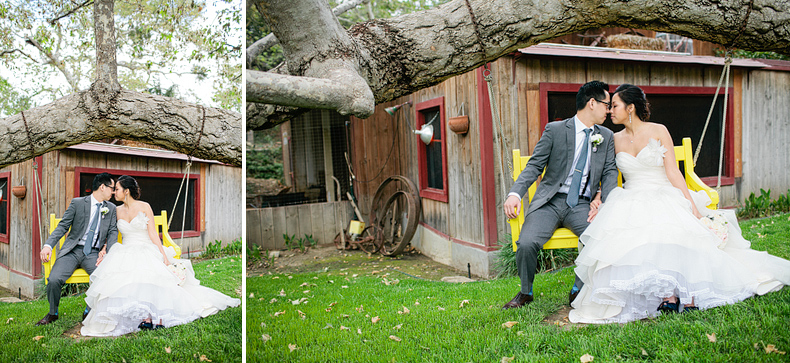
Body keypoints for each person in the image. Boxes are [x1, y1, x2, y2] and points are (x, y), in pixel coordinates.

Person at [569, 84, 790, 324]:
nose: (610, 110)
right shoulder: (614, 138)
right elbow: (609, 173)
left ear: (630, 108)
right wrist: (600, 196)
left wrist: (691, 207)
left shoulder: (658, 130)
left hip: (663, 192)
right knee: (637, 233)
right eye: (609, 106)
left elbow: (674, 173)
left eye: (615, 105)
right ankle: (665, 295)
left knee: (672, 228)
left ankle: (686, 293)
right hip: (631, 196)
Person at [502, 81, 619, 309]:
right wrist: (515, 193)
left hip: (581, 205)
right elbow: (534, 166)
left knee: (597, 238)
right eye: (606, 104)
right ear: (592, 103)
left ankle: (578, 289)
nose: (608, 110)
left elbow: (609, 171)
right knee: (526, 243)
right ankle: (526, 292)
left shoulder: (605, 136)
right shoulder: (555, 130)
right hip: (550, 202)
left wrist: (603, 200)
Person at [80, 175, 240, 336]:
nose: (114, 192)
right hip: (125, 250)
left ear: (126, 191)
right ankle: (126, 314)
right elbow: (112, 232)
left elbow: (153, 234)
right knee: (121, 278)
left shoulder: (144, 207)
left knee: (149, 273)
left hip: (145, 247)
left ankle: (151, 316)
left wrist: (163, 256)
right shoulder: (116, 210)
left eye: (117, 189)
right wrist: (105, 248)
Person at [37, 172, 118, 326]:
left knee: (103, 278)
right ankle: (52, 313)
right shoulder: (78, 203)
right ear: (102, 187)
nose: (113, 192)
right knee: (54, 280)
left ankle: (88, 311)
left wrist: (109, 251)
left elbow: (113, 231)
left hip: (93, 253)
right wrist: (48, 245)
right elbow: (63, 226)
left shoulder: (111, 208)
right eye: (112, 188)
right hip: (72, 251)